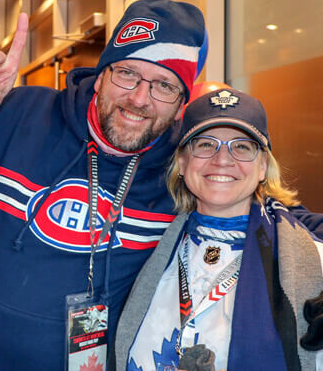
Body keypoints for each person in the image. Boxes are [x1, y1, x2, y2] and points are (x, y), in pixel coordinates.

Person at [0, 0, 323, 370]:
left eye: (165, 85)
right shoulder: (14, 117)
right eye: (127, 73)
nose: (140, 98)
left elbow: (271, 212)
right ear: (102, 74)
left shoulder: (179, 166)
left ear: (181, 102)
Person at [115, 88, 323, 370]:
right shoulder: (149, 240)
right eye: (205, 144)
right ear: (182, 162)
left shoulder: (309, 259)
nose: (222, 159)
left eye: (241, 146)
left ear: (262, 166)